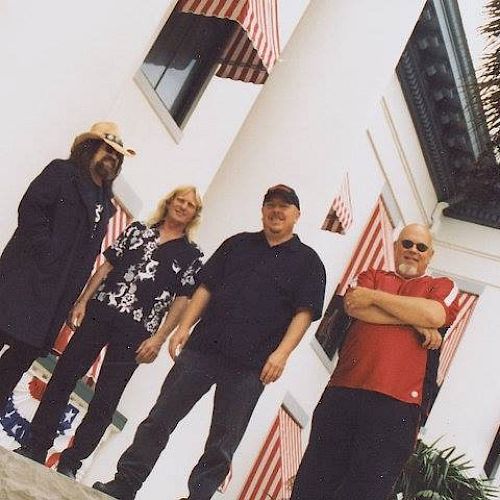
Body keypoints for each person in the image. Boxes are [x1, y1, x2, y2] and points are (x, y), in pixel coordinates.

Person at [93, 184, 326, 500]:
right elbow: (206, 287)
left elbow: (304, 312)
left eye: (284, 206)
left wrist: (281, 354)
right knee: (160, 418)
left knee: (221, 444)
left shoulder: (309, 263)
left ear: (296, 214)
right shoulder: (237, 245)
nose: (276, 211)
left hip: (251, 366)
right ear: (262, 210)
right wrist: (183, 327)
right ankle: (126, 483)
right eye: (270, 204)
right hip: (202, 350)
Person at [15, 186, 204, 480]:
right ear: (169, 203)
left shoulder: (191, 255)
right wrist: (82, 301)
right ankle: (35, 444)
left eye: (190, 205)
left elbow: (182, 300)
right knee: (64, 375)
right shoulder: (138, 231)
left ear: (195, 214)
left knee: (106, 397)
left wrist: (159, 338)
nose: (183, 206)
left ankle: (71, 462)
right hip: (102, 310)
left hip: (139, 329)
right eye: (180, 200)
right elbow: (106, 268)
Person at [290, 223, 460, 500]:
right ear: (395, 247)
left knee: (367, 491)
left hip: (398, 404)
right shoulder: (370, 275)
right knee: (314, 482)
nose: (413, 251)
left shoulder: (441, 285)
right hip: (344, 392)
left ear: (430, 255)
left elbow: (434, 316)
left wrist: (376, 299)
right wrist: (414, 321)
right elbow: (354, 305)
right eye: (406, 244)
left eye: (421, 247)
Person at [0, 122, 134, 413]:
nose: (112, 157)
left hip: (55, 300)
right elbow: (31, 210)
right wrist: (46, 251)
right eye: (107, 149)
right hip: (23, 281)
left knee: (20, 359)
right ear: (89, 148)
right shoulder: (63, 173)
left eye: (117, 155)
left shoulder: (106, 204)